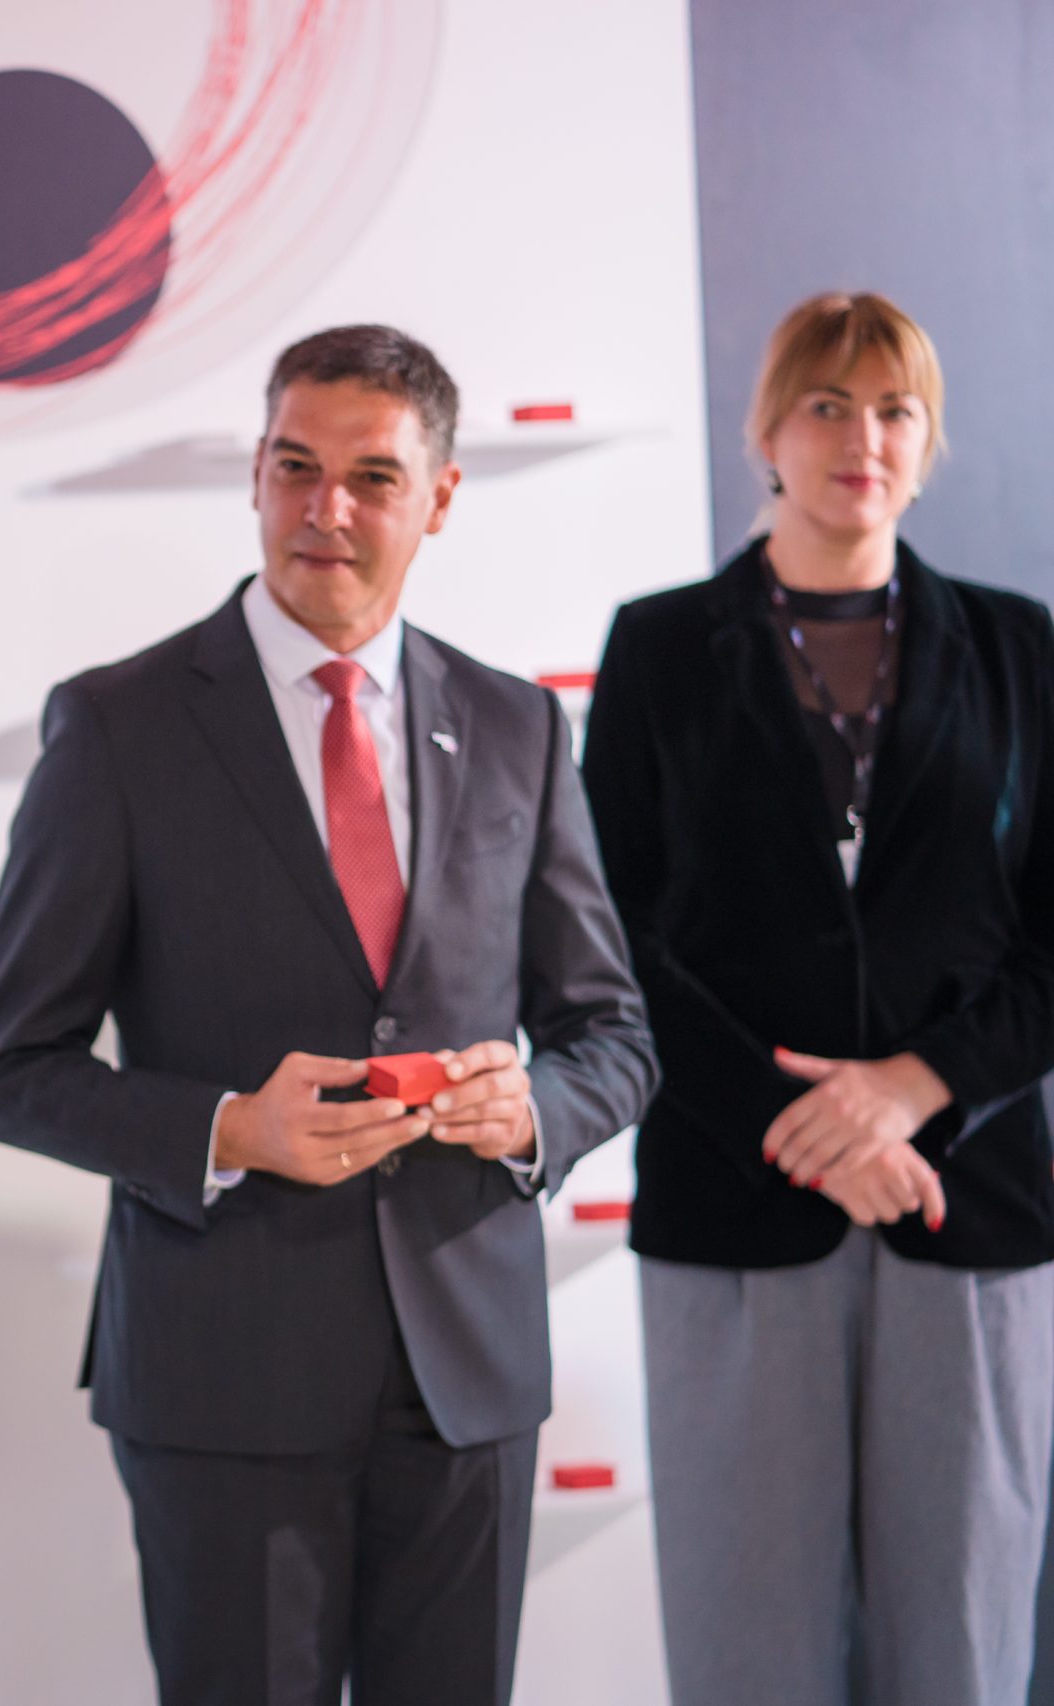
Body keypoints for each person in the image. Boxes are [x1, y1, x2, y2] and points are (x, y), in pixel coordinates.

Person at [0, 325, 657, 1705]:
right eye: (294, 467)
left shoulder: (519, 725)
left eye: (372, 478)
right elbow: (11, 1067)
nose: (324, 509)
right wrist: (229, 1128)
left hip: (467, 1377)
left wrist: (535, 1107)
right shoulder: (117, 726)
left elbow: (612, 1034)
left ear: (440, 497)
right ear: (257, 475)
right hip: (224, 1379)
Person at [581, 291, 1054, 1706]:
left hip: (964, 1205)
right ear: (768, 432)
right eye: (829, 406)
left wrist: (915, 1089)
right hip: (734, 1203)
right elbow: (612, 935)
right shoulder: (661, 647)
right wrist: (795, 1128)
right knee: (751, 1653)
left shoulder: (1020, 647)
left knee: (958, 1650)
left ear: (929, 440)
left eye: (896, 410)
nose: (864, 439)